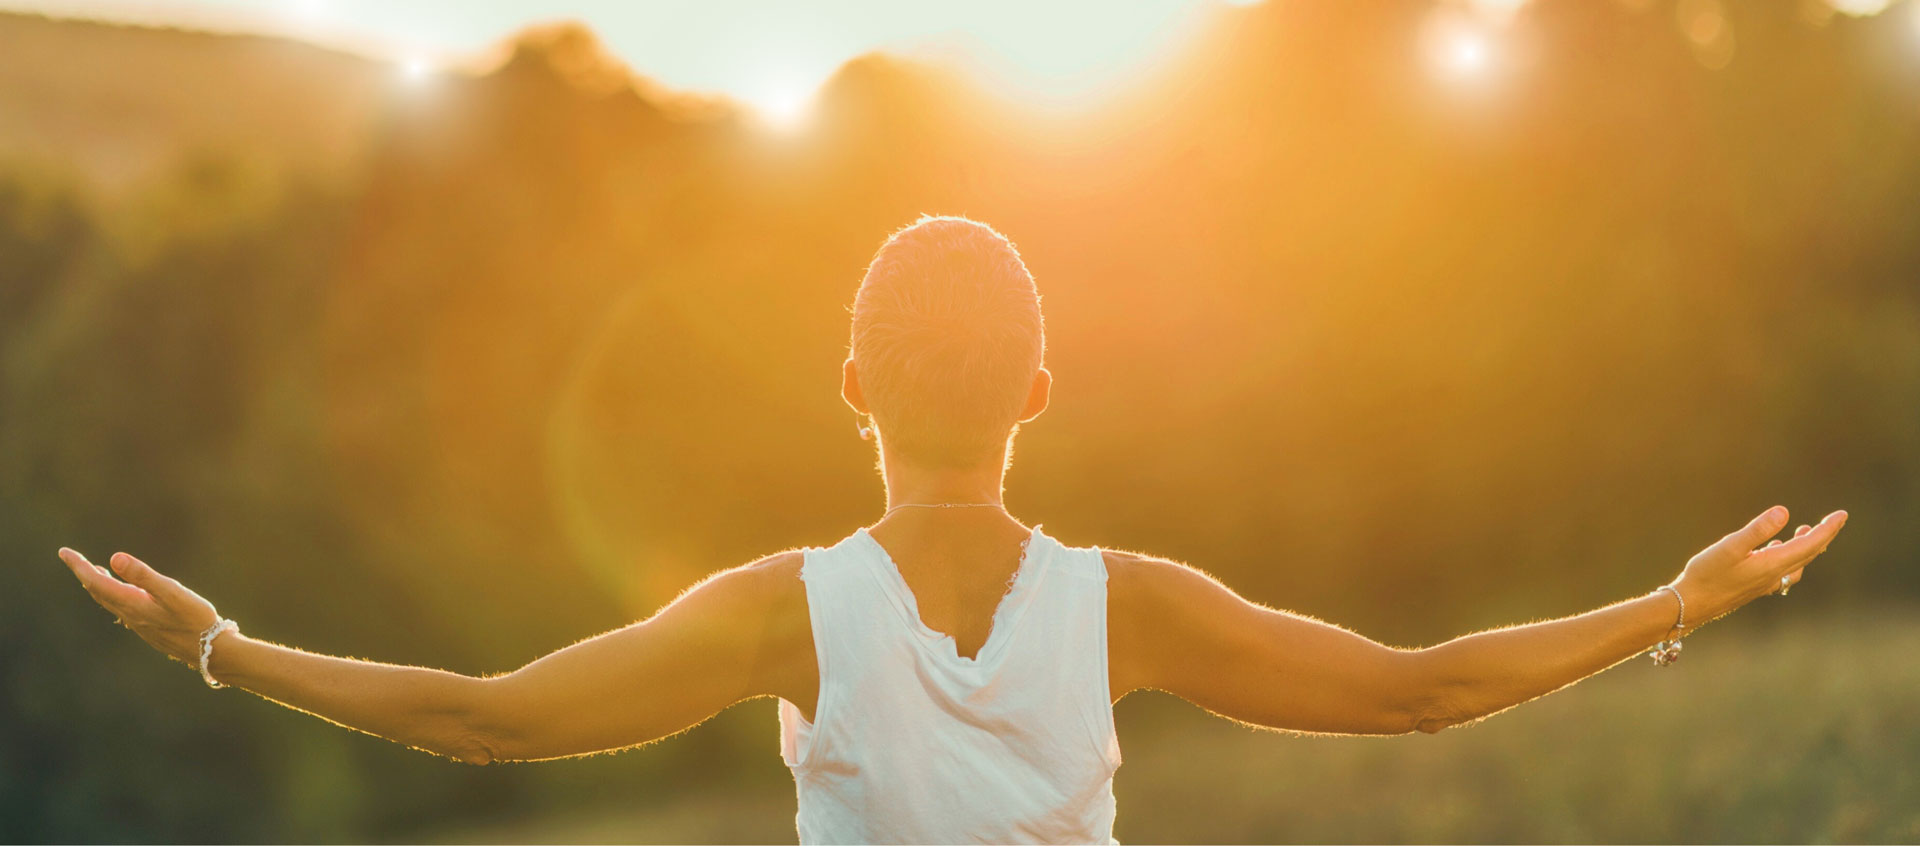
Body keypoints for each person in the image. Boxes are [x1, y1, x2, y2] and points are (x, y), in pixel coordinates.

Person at [59, 215, 1847, 845]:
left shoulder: (784, 616)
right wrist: (1670, 601)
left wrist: (222, 644)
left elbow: (486, 713)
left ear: (853, 383)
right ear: (1040, 389)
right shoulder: (1126, 606)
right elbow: (1419, 689)